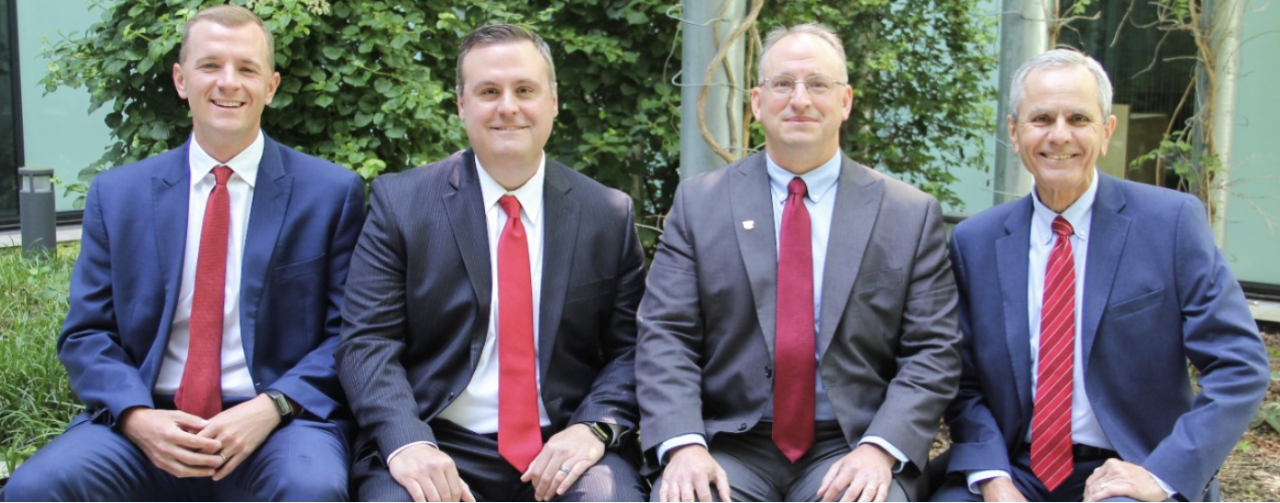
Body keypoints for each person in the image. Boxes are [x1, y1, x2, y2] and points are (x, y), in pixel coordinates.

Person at [2, 5, 365, 501]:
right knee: (34, 489)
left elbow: (348, 335)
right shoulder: (119, 195)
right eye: (210, 65)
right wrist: (136, 417)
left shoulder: (330, 193)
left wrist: (271, 407)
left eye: (247, 68)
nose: (228, 83)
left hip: (278, 424)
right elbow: (87, 333)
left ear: (272, 86)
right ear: (180, 79)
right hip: (147, 419)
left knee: (312, 489)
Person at [637, 23, 961, 503]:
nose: (800, 99)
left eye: (818, 85)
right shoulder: (700, 204)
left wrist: (880, 449)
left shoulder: (907, 214)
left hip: (852, 442)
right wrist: (683, 443)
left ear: (846, 101)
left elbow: (933, 350)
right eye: (783, 84)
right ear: (756, 101)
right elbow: (666, 334)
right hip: (729, 443)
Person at [931, 48, 1270, 502]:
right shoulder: (975, 242)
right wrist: (993, 479)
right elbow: (964, 383)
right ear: (1014, 132)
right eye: (1041, 119)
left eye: (1078, 118)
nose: (1059, 135)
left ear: (1106, 131)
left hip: (1134, 466)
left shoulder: (1170, 224)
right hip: (1015, 467)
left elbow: (1239, 365)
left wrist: (1162, 475)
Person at [335, 23, 648, 503]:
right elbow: (367, 341)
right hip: (437, 437)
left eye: (525, 90)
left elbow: (632, 349)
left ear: (553, 102)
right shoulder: (402, 203)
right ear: (462, 105)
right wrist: (407, 441)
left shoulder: (606, 213)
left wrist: (594, 428)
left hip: (563, 442)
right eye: (488, 91)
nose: (508, 106)